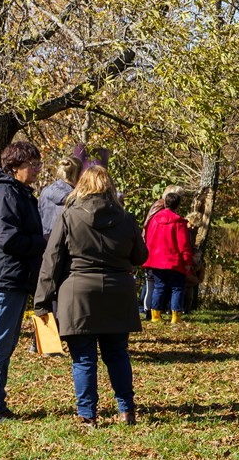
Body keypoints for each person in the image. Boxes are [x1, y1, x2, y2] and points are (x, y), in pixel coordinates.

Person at [33, 164, 148, 426]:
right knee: (117, 354)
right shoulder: (126, 219)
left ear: (82, 186)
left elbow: (51, 261)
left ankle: (88, 415)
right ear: (110, 188)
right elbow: (141, 256)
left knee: (84, 358)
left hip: (78, 294)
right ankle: (126, 409)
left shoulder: (69, 217)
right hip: (118, 292)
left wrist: (41, 301)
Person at [0, 142, 45, 423]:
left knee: (7, 342)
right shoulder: (4, 194)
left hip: (14, 276)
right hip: (5, 277)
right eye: (32, 164)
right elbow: (9, 239)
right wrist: (43, 242)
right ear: (15, 167)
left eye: (38, 163)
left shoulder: (19, 193)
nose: (37, 169)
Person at [142, 187, 195, 325]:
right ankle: (175, 317)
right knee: (177, 287)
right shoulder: (178, 222)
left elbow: (149, 238)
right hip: (173, 260)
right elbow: (183, 245)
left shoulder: (153, 220)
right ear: (178, 205)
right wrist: (187, 261)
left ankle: (155, 316)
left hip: (156, 260)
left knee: (159, 287)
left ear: (165, 203)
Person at [38, 155, 81, 237]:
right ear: (77, 175)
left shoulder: (45, 191)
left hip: (44, 241)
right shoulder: (76, 198)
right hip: (64, 244)